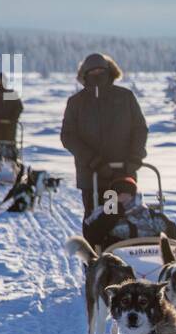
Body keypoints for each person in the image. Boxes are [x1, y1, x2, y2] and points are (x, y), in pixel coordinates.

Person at [60, 52, 148, 219]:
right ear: (84, 75)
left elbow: (140, 129)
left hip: (124, 172)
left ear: (109, 72)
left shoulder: (125, 97)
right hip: (92, 175)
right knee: (97, 222)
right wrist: (94, 161)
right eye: (92, 73)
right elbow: (68, 137)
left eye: (101, 71)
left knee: (127, 218)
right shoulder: (77, 102)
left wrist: (135, 157)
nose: (97, 76)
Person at [82, 175, 176, 250]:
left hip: (152, 255)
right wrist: (111, 215)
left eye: (127, 191)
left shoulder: (148, 214)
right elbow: (92, 237)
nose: (123, 195)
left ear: (134, 194)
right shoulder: (105, 215)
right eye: (118, 192)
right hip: (119, 260)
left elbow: (171, 232)